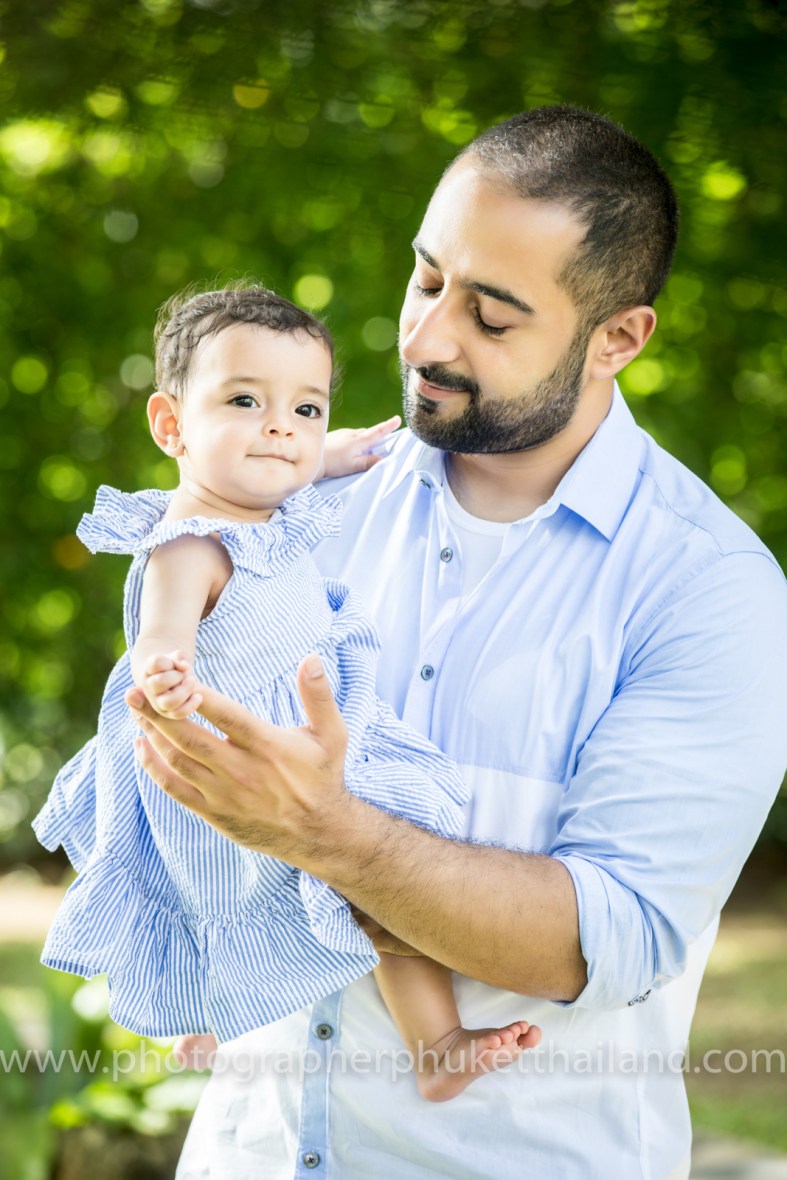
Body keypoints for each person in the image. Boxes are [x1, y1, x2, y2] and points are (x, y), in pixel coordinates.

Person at [128, 107, 787, 1179]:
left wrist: (330, 832)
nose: (429, 338)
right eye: (427, 280)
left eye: (492, 315)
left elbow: (602, 937)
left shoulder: (709, 592)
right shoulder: (306, 503)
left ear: (616, 336)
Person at [33, 284, 539, 1101]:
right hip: (246, 762)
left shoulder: (272, 501)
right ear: (171, 426)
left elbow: (302, 453)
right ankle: (239, 1017)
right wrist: (165, 667)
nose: (282, 428)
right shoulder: (187, 545)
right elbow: (160, 637)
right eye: (245, 400)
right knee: (273, 899)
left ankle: (431, 1043)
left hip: (315, 743)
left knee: (391, 885)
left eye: (305, 408)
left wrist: (333, 451)